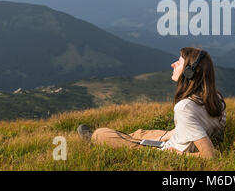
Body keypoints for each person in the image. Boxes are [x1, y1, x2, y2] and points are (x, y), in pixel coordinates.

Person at [77, 47, 226, 159]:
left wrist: (180, 154)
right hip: (181, 138)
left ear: (189, 73)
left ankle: (99, 138)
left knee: (101, 134)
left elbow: (210, 155)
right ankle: (129, 137)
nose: (172, 64)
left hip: (169, 152)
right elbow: (203, 128)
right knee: (141, 133)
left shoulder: (184, 108)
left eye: (179, 62)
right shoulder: (217, 99)